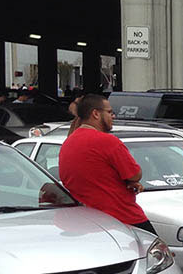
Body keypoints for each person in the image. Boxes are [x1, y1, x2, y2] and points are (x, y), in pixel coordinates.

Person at [58, 93, 153, 234]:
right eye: (109, 112)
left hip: (85, 220)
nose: (113, 116)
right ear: (96, 114)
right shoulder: (108, 141)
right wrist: (131, 180)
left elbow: (94, 177)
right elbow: (134, 175)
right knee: (154, 245)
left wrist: (126, 181)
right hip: (122, 218)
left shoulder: (68, 143)